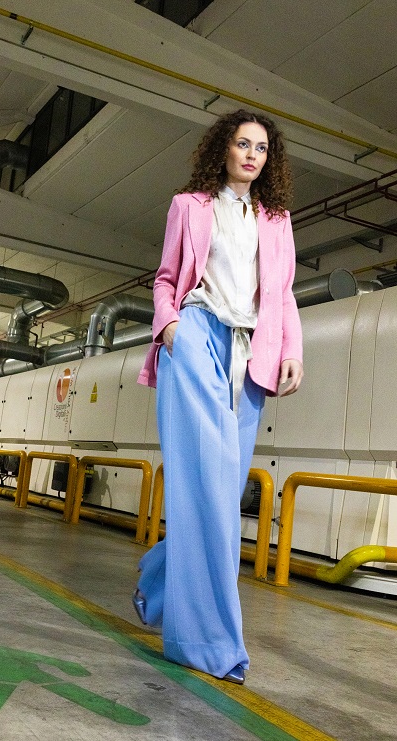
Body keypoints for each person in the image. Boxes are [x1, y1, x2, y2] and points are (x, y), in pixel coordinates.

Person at [134, 109, 304, 685]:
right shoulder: (189, 206)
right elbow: (166, 278)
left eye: (261, 147)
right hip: (197, 337)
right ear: (223, 149)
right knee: (208, 491)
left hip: (251, 354)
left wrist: (292, 350)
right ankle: (207, 643)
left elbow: (283, 294)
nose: (252, 155)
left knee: (222, 496)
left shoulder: (277, 220)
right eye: (242, 144)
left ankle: (157, 583)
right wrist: (169, 326)